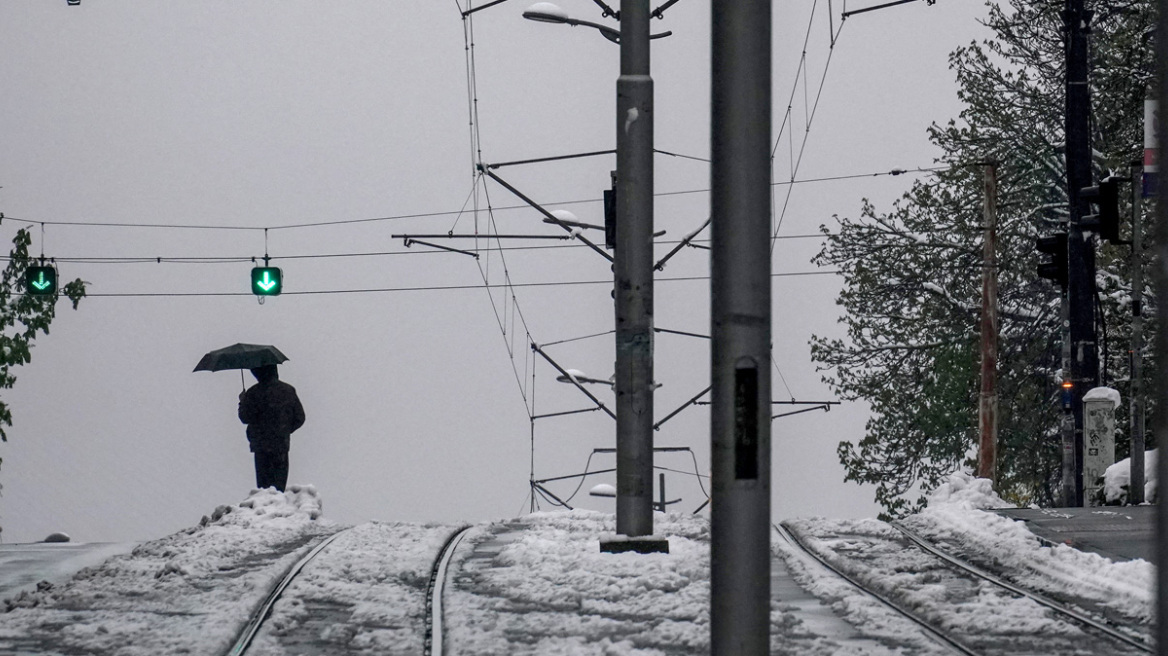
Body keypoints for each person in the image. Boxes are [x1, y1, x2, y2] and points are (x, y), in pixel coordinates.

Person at [238, 364, 305, 492]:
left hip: (260, 446)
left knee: (264, 488)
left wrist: (243, 401)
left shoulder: (254, 393)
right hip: (281, 445)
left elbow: (245, 417)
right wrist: (284, 430)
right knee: (279, 486)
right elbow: (300, 418)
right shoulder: (288, 390)